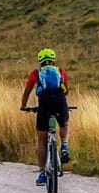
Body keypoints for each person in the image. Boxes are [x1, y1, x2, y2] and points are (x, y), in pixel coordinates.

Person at [20, 48, 70, 185]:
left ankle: (42, 173)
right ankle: (64, 145)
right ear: (53, 60)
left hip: (44, 104)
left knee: (42, 139)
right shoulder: (60, 71)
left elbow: (27, 91)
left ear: (40, 61)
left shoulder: (36, 73)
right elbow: (66, 90)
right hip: (59, 101)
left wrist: (24, 106)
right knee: (64, 123)